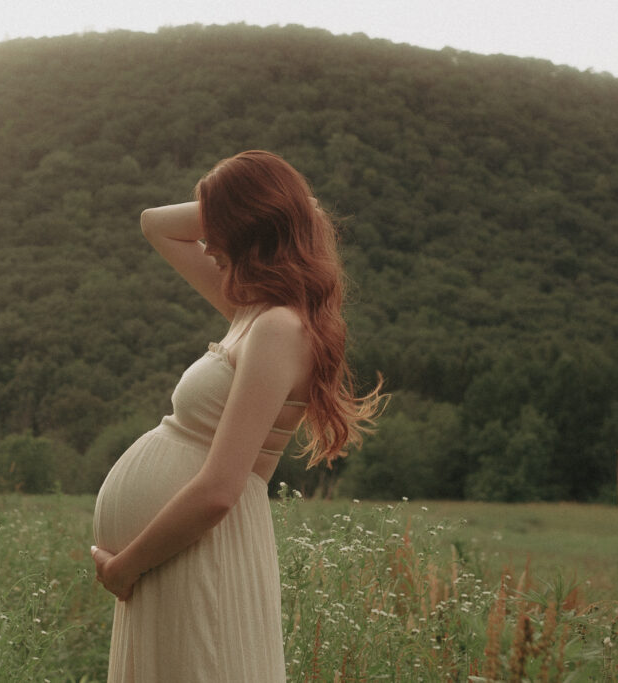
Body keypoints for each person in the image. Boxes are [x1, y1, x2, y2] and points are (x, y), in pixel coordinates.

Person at [90, 150, 384, 682]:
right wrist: (291, 209)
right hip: (178, 555)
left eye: (220, 230)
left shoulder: (278, 329)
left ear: (249, 230)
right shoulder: (249, 310)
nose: (206, 245)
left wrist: (124, 565)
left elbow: (221, 488)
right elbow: (154, 225)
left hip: (199, 554)